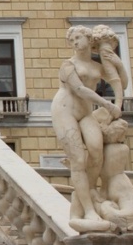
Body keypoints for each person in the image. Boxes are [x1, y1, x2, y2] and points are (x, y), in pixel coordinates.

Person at [51, 26, 123, 230]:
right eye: (72, 39)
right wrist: (108, 105)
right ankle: (88, 209)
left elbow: (120, 82)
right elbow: (80, 89)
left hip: (85, 112)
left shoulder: (96, 66)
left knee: (96, 152)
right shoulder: (68, 65)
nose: (75, 42)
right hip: (64, 111)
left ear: (88, 39)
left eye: (78, 38)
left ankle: (89, 192)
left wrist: (118, 64)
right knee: (78, 159)